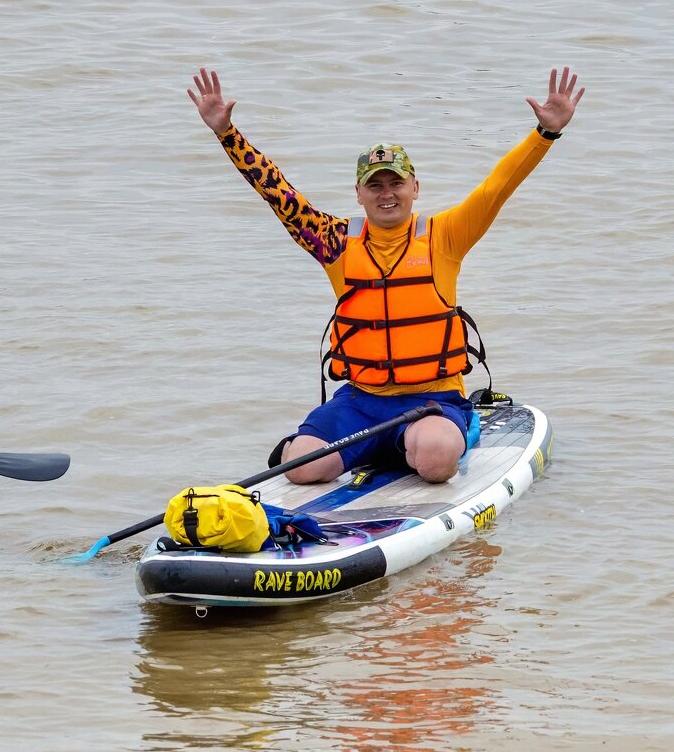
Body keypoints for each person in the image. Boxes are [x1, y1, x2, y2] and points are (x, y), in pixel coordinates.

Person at [187, 66, 584, 484]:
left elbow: (498, 186)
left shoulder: (446, 236)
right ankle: (358, 446)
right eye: (374, 185)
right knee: (301, 469)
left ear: (416, 188)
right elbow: (278, 193)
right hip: (361, 402)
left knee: (435, 461)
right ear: (358, 194)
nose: (386, 193)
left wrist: (545, 134)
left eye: (396, 182)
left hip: (432, 398)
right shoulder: (335, 241)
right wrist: (227, 133)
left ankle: (440, 436)